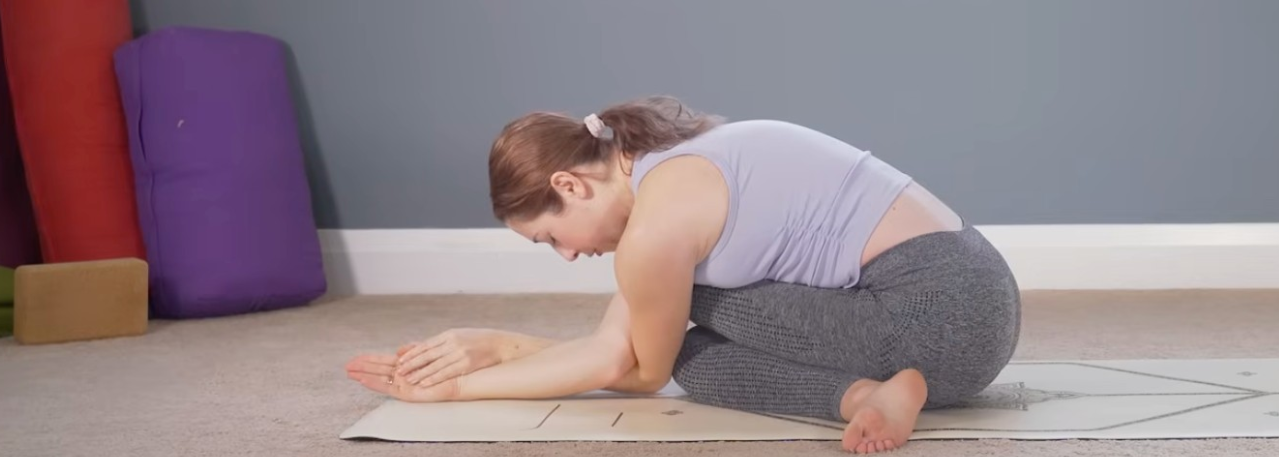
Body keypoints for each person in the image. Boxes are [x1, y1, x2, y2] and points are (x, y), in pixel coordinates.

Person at [345, 99, 1021, 454]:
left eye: (550, 237)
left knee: (673, 343)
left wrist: (470, 377)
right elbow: (631, 350)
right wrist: (503, 349)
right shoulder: (673, 164)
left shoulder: (656, 233)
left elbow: (632, 366)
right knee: (682, 350)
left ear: (569, 185)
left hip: (928, 316)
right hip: (976, 312)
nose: (568, 256)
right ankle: (867, 395)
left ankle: (873, 388)